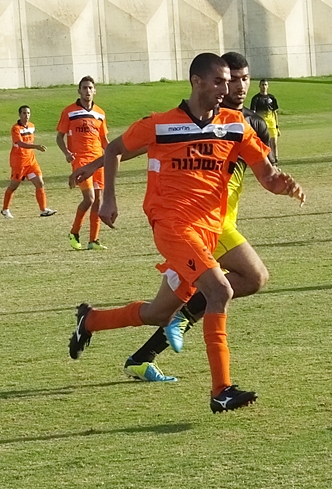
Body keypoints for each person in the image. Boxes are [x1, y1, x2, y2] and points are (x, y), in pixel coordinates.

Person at [68, 53, 305, 413]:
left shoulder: (236, 126)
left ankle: (91, 320)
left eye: (230, 81)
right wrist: (109, 198)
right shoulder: (162, 124)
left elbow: (267, 176)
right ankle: (221, 390)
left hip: (210, 230)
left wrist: (284, 185)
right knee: (220, 289)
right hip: (172, 227)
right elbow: (115, 148)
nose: (227, 88)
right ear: (197, 82)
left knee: (159, 313)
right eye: (219, 81)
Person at [122, 51, 273, 382]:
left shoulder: (251, 124)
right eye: (230, 79)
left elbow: (268, 169)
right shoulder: (188, 120)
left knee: (164, 307)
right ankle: (219, 384)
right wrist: (96, 163)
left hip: (217, 221)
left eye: (244, 78)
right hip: (202, 223)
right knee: (242, 281)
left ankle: (141, 353)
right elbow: (144, 145)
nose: (237, 86)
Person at [56, 76, 109, 250]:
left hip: (98, 160)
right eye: (84, 88)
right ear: (79, 91)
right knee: (89, 198)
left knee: (98, 200)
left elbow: (104, 140)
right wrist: (67, 153)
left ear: (95, 91)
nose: (87, 91)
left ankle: (93, 240)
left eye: (90, 88)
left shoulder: (100, 113)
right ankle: (74, 232)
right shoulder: (69, 112)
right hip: (80, 160)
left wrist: (112, 155)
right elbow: (59, 137)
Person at [1, 105, 56, 218]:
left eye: (28, 113)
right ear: (19, 115)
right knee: (13, 186)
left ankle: (43, 210)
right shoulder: (16, 128)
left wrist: (33, 148)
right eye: (24, 113)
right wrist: (36, 146)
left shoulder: (31, 126)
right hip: (19, 162)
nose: (26, 115)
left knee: (39, 183)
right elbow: (20, 143)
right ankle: (5, 209)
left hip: (31, 161)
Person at [250, 79, 280, 164]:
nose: (264, 86)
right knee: (265, 143)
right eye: (262, 85)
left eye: (265, 85)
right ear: (259, 86)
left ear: (268, 86)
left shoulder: (272, 98)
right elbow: (253, 114)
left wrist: (277, 126)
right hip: (262, 124)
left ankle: (275, 159)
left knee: (274, 142)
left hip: (272, 123)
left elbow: (275, 112)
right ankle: (266, 160)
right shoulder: (256, 99)